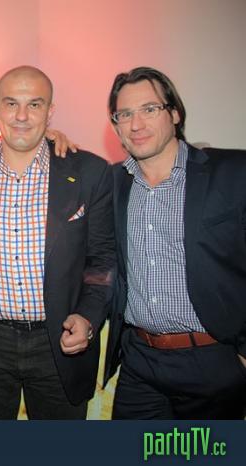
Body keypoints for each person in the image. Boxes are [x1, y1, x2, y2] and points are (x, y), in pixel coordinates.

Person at [0, 66, 115, 419]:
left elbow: (102, 261)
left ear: (50, 111)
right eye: (11, 103)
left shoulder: (89, 171)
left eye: (34, 105)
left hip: (58, 340)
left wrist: (88, 316)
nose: (22, 116)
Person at [103, 66, 246, 419]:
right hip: (139, 361)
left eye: (149, 109)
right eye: (124, 114)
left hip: (213, 361)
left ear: (175, 113)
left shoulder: (233, 172)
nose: (136, 124)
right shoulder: (112, 183)